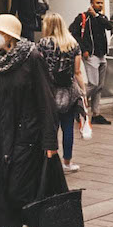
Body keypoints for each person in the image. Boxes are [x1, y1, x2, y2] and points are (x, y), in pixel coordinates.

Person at [0, 14, 59, 227]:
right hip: (3, 142)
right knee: (6, 198)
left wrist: (50, 143)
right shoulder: (0, 62)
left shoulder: (32, 58)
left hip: (28, 141)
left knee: (25, 198)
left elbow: (47, 101)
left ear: (10, 36)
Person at [38, 12, 84, 173]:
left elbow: (39, 69)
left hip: (49, 91)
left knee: (49, 127)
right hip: (68, 91)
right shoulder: (72, 43)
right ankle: (67, 162)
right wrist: (83, 92)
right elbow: (77, 71)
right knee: (67, 128)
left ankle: (50, 160)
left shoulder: (43, 43)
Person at [70, 0, 112, 125]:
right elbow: (73, 32)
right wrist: (83, 49)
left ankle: (96, 113)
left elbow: (109, 26)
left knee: (99, 86)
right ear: (91, 4)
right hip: (91, 55)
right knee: (93, 84)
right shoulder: (83, 17)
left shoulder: (101, 17)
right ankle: (76, 104)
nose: (100, 5)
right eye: (97, 3)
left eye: (101, 3)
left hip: (101, 55)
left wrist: (97, 16)